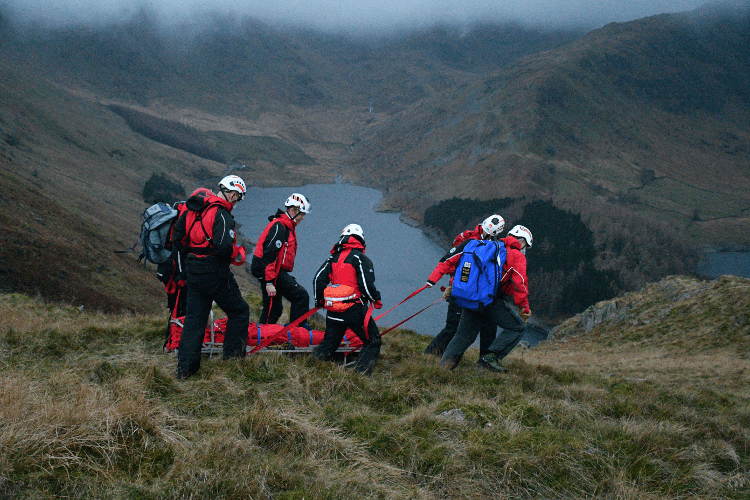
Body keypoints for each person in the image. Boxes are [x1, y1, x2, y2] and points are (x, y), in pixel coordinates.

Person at [172, 175, 250, 379]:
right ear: (232, 193)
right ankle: (233, 362)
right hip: (215, 272)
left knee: (194, 320)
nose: (235, 202)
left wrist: (192, 255)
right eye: (237, 198)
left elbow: (177, 239)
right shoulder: (222, 214)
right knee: (240, 311)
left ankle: (185, 371)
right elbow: (224, 247)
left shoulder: (192, 210)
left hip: (193, 272)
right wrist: (236, 254)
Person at [440, 224, 534, 372]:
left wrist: (453, 286)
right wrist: (524, 308)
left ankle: (443, 369)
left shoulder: (491, 245)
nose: (524, 248)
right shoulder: (517, 255)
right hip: (491, 300)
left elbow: (467, 268)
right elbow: (520, 283)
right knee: (518, 327)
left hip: (473, 297)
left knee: (463, 336)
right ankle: (489, 358)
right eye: (525, 245)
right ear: (522, 242)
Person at [423, 214, 505, 357]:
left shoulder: (493, 246)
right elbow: (447, 260)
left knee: (467, 331)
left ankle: (447, 358)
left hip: (475, 295)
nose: (486, 234)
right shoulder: (470, 242)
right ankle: (432, 354)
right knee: (453, 328)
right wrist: (432, 280)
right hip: (460, 291)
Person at [312, 224, 383, 375]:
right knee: (373, 341)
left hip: (333, 311)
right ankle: (360, 377)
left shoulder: (333, 258)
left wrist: (320, 301)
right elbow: (366, 284)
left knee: (329, 343)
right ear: (361, 240)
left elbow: (318, 279)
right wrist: (375, 298)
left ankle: (310, 369)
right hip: (354, 310)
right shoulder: (360, 258)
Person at [251, 193, 311, 325]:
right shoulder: (280, 226)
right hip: (270, 271)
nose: (303, 217)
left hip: (273, 271)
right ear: (293, 210)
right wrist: (270, 282)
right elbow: (270, 255)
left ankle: (263, 336)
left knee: (274, 309)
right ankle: (295, 334)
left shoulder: (286, 225)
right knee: (300, 297)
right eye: (302, 213)